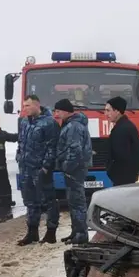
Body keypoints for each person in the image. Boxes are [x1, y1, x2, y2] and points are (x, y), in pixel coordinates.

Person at [16, 95, 60, 245]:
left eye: (27, 106)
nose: (25, 109)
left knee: (48, 201)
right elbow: (21, 142)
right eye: (24, 106)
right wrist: (19, 157)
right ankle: (32, 232)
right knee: (30, 202)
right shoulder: (24, 122)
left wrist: (46, 167)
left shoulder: (49, 123)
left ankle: (51, 232)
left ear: (37, 105)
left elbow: (52, 147)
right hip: (26, 168)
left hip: (40, 169)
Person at [53, 99, 93, 244]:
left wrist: (67, 168)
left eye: (57, 111)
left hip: (74, 170)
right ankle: (75, 232)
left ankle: (81, 235)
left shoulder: (73, 126)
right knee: (73, 202)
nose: (56, 114)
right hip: (74, 169)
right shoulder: (71, 124)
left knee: (77, 203)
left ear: (65, 111)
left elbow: (74, 150)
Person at [104, 96, 139, 186]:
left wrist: (110, 169)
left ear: (117, 111)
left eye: (108, 110)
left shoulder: (122, 129)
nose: (105, 113)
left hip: (123, 179)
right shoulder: (125, 126)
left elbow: (120, 156)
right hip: (126, 177)